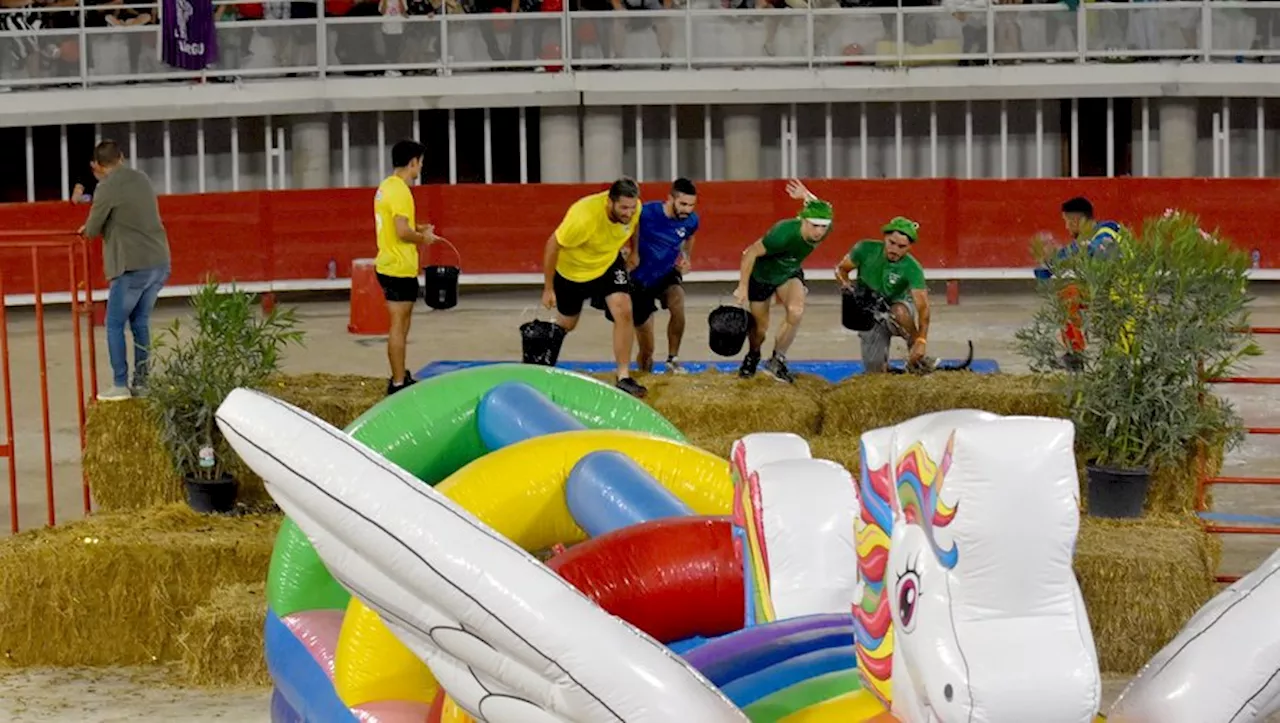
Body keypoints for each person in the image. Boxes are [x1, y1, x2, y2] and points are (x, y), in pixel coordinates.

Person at [78, 140, 171, 401]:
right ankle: (142, 383)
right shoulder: (141, 178)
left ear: (96, 165)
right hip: (159, 262)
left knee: (113, 324)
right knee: (140, 322)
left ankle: (120, 384)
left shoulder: (105, 187)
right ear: (121, 157)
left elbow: (93, 229)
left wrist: (88, 227)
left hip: (131, 266)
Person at [540, 178, 646, 398]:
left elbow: (634, 224)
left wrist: (634, 251)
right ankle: (541, 362)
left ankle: (623, 376)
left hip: (607, 263)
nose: (628, 212)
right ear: (610, 202)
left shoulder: (634, 209)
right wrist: (548, 288)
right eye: (623, 208)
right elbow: (552, 245)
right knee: (567, 324)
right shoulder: (583, 217)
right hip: (573, 272)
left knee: (624, 311)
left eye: (632, 207)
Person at [733, 179, 832, 384]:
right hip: (762, 276)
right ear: (803, 220)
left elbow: (821, 209)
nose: (819, 232)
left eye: (824, 227)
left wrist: (807, 195)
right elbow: (750, 253)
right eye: (814, 226)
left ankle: (777, 360)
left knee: (796, 311)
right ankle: (753, 355)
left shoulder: (822, 227)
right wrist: (742, 286)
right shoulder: (782, 233)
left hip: (788, 273)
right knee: (760, 330)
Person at [375, 139, 448, 396]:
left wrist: (420, 228)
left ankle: (399, 373)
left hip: (389, 264)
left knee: (402, 324)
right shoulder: (402, 191)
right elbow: (402, 231)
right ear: (412, 162)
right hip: (398, 267)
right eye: (420, 162)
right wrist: (423, 238)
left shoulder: (387, 186)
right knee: (398, 325)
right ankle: (397, 382)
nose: (421, 167)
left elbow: (399, 225)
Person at [835, 217, 933, 374]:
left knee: (899, 312)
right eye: (891, 243)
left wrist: (922, 340)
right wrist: (848, 289)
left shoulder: (913, 268)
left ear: (909, 247)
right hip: (870, 311)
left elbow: (923, 308)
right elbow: (841, 270)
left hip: (898, 307)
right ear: (884, 238)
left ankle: (915, 352)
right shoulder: (865, 249)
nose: (894, 249)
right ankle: (886, 369)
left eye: (901, 246)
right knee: (875, 371)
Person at [1034, 196, 1120, 370]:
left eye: (1066, 222)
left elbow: (1098, 250)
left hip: (1125, 295)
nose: (1066, 227)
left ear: (1075, 221)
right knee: (1068, 294)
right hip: (1105, 292)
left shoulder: (1106, 233)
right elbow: (1055, 263)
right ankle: (1075, 354)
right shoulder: (1084, 240)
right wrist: (1047, 263)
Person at [624, 177, 699, 375]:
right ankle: (645, 375)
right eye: (683, 204)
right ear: (670, 199)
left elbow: (690, 235)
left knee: (678, 301)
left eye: (691, 205)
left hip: (666, 273)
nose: (687, 210)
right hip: (639, 281)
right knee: (647, 347)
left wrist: (685, 257)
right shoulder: (646, 212)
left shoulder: (691, 220)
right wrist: (632, 251)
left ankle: (672, 360)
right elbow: (629, 227)